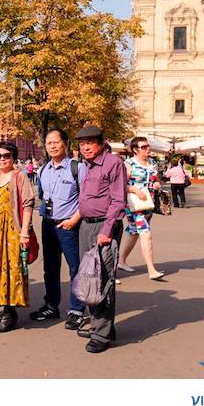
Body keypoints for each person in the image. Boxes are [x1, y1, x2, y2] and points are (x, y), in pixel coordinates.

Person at [75, 125, 127, 354]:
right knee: (88, 276)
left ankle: (101, 335)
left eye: (90, 142)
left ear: (101, 143)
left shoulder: (113, 163)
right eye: (82, 143)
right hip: (86, 226)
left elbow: (118, 200)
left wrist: (107, 230)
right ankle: (102, 327)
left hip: (104, 227)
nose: (85, 147)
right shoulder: (86, 164)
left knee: (101, 279)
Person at [30, 128, 86, 330]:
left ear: (65, 143)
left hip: (69, 225)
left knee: (75, 268)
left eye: (56, 142)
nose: (52, 146)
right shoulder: (43, 170)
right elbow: (43, 196)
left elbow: (86, 198)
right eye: (48, 143)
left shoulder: (76, 168)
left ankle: (76, 310)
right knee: (50, 268)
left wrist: (74, 219)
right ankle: (51, 305)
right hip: (48, 224)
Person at [0, 141, 35, 333]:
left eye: (7, 156)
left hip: (11, 232)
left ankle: (10, 313)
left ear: (13, 158)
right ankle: (2, 307)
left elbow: (28, 204)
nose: (2, 159)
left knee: (11, 271)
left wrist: (24, 232)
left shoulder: (19, 176)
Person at [119, 137, 165, 280]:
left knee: (134, 233)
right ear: (135, 150)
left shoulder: (152, 163)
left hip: (148, 204)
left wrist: (157, 184)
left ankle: (121, 261)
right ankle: (151, 270)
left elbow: (156, 179)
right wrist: (134, 190)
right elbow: (121, 185)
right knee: (146, 233)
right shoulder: (128, 163)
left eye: (148, 146)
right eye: (144, 147)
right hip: (134, 205)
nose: (148, 148)